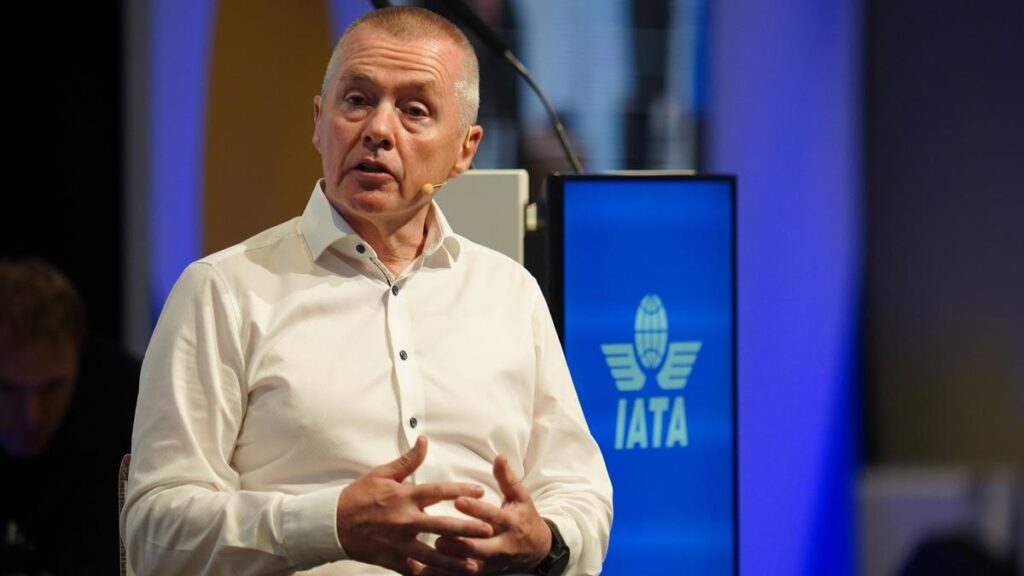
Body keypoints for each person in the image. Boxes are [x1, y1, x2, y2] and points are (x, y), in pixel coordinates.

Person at [121, 7, 612, 576]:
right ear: (318, 121)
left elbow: (579, 491)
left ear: (465, 149)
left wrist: (545, 540)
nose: (378, 130)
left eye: (414, 110)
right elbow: (154, 533)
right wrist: (329, 524)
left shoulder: (510, 294)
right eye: (357, 101)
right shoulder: (222, 292)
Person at [1, 259, 140, 575]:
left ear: (79, 355)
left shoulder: (131, 406)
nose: (31, 415)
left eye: (52, 388)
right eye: (7, 389)